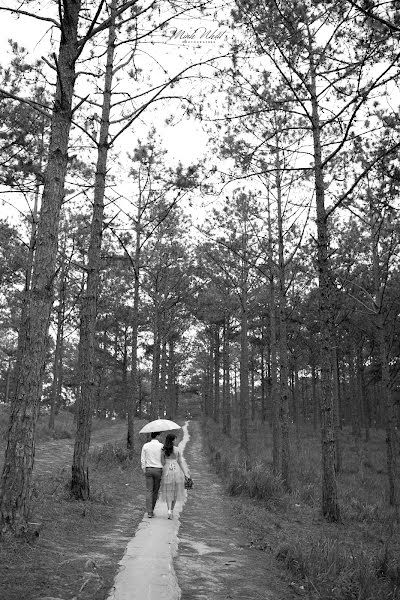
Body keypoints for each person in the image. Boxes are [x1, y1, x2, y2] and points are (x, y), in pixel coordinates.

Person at [160, 433, 189, 519]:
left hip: (167, 471)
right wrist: (185, 473)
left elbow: (162, 462)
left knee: (168, 491)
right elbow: (180, 462)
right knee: (175, 493)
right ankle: (172, 511)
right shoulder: (177, 450)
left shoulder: (163, 450)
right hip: (176, 471)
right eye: (175, 439)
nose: (176, 441)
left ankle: (168, 510)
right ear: (172, 440)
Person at [141, 431, 163, 518]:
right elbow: (163, 458)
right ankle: (152, 509)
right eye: (160, 435)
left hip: (149, 469)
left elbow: (143, 459)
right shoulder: (161, 446)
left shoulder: (145, 445)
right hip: (158, 470)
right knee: (155, 491)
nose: (160, 437)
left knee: (149, 490)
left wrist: (144, 469)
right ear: (157, 436)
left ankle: (149, 512)